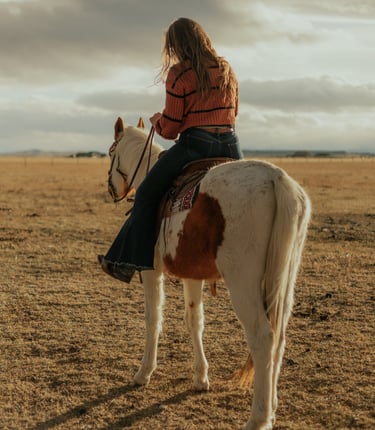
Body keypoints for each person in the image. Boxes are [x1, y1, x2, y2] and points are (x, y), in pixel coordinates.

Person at [98, 17, 243, 283]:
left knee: (146, 194)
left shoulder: (179, 74)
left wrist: (157, 121)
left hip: (195, 146)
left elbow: (171, 130)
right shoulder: (226, 69)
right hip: (231, 146)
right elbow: (234, 112)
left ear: (175, 46)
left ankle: (129, 262)